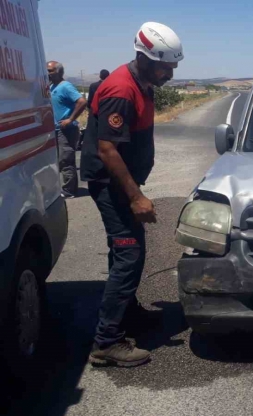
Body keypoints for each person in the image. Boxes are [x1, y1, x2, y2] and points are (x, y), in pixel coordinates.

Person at [80, 22, 184, 367]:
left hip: (122, 184)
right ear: (145, 57)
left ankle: (129, 314)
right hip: (111, 186)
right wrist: (136, 196)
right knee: (129, 256)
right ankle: (106, 341)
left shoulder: (144, 82)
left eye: (173, 67)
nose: (170, 73)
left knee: (125, 252)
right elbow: (108, 150)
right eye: (165, 67)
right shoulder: (121, 90)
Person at [47, 61, 87, 197]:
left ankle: (70, 190)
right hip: (56, 130)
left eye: (50, 70)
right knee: (59, 160)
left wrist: (70, 119)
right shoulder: (52, 87)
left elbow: (82, 101)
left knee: (66, 159)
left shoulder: (65, 86)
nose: (47, 73)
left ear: (59, 72)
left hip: (67, 130)